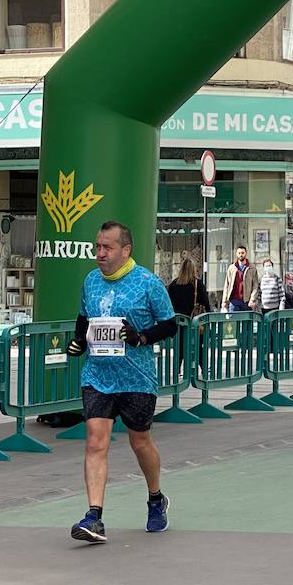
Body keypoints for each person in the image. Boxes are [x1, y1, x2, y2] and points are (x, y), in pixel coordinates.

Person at [64, 221, 178, 544]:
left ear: (125, 250)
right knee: (94, 441)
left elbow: (170, 325)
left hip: (136, 378)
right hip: (98, 375)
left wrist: (141, 337)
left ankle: (156, 498)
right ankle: (94, 517)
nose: (99, 253)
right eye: (97, 246)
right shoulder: (90, 281)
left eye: (106, 247)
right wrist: (78, 342)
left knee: (140, 441)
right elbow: (84, 319)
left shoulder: (147, 283)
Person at [222, 245, 259, 312]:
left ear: (246, 253)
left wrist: (252, 299)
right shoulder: (232, 268)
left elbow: (255, 285)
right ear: (236, 254)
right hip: (234, 301)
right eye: (239, 253)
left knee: (247, 321)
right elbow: (226, 285)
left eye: (242, 253)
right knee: (234, 321)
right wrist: (224, 301)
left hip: (247, 301)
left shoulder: (252, 268)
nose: (241, 255)